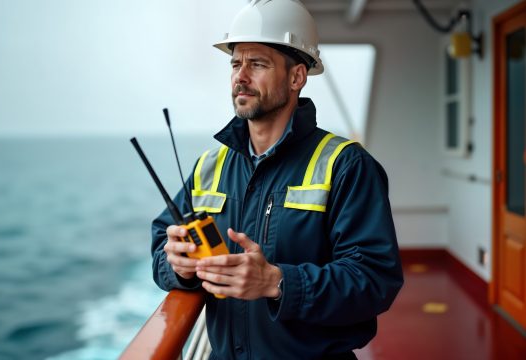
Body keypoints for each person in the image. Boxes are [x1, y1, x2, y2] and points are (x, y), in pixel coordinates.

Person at [151, 0, 403, 358]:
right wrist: (178, 266)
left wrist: (277, 283)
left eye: (258, 63)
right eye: (236, 63)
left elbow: (375, 281)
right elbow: (161, 245)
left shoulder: (347, 165)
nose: (241, 75)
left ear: (297, 76)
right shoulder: (209, 166)